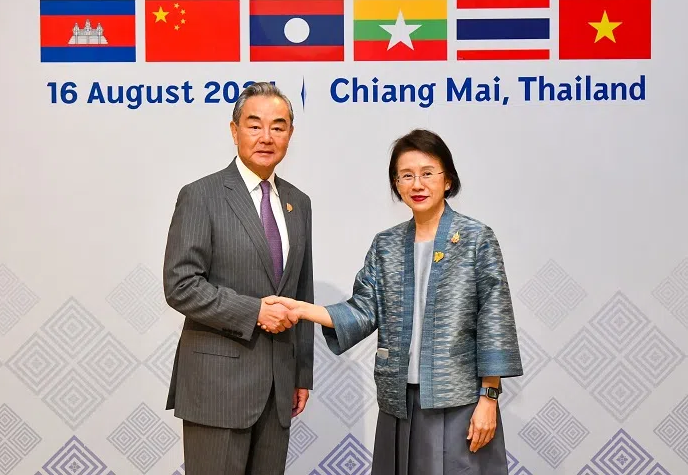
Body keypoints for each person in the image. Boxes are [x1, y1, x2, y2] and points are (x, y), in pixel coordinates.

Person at [265, 129, 522, 475]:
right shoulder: (386, 244)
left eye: (428, 173)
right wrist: (301, 309)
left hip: (458, 401)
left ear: (448, 180)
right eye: (406, 176)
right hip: (398, 401)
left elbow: (494, 321)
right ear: (397, 185)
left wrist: (488, 398)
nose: (417, 184)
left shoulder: (477, 239)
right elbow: (363, 310)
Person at [163, 82, 314, 475]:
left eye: (278, 127)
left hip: (278, 387)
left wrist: (301, 373)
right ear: (234, 131)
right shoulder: (201, 195)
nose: (267, 137)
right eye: (254, 125)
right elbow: (181, 285)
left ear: (290, 134)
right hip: (217, 388)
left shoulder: (299, 203)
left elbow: (302, 291)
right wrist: (255, 312)